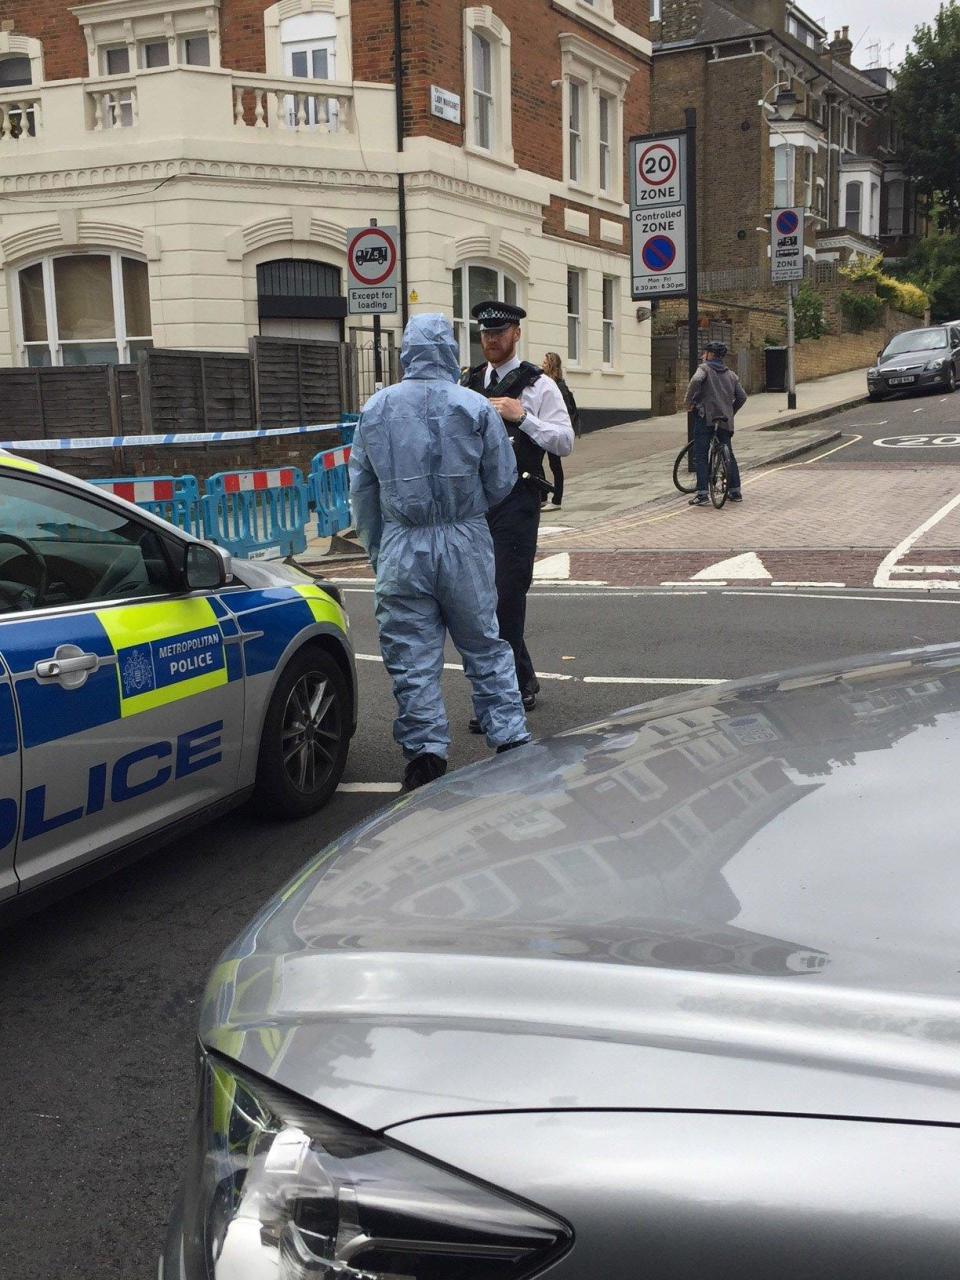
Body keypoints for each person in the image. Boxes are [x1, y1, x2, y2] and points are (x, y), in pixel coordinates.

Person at [349, 313, 530, 792]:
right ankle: (510, 739)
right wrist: (465, 513)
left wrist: (378, 549)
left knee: (412, 656)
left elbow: (362, 493)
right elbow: (501, 479)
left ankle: (426, 755)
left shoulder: (376, 409)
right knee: (485, 644)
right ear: (449, 350)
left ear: (406, 352)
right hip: (463, 540)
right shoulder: (474, 407)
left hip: (402, 545)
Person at [461, 302, 574, 722]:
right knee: (479, 602)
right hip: (475, 505)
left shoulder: (538, 385)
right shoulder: (470, 382)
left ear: (516, 334)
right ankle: (521, 678)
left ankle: (499, 697)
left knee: (506, 598)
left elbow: (565, 441)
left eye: (500, 332)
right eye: (486, 332)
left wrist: (521, 416)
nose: (492, 339)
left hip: (517, 503)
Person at [684, 340, 747, 506]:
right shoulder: (731, 375)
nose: (702, 356)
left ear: (710, 355)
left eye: (704, 353)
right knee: (729, 454)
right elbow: (742, 397)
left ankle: (703, 493)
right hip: (725, 420)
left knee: (701, 455)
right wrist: (731, 411)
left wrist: (688, 402)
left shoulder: (704, 369)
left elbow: (695, 381)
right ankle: (735, 491)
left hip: (705, 418)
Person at [540, 352, 581, 510]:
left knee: (555, 465)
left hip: (555, 431)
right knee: (536, 463)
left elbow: (562, 411)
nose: (542, 364)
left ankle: (557, 500)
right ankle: (543, 496)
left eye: (545, 362)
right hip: (544, 428)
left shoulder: (559, 386)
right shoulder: (544, 382)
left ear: (551, 364)